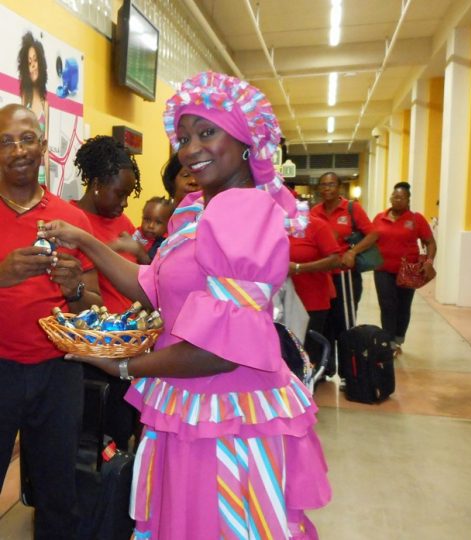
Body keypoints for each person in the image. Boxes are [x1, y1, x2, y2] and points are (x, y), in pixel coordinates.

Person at [43, 71, 331, 540]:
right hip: (191, 403)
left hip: (227, 413)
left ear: (245, 140)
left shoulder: (241, 212)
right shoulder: (199, 208)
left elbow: (222, 351)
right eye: (183, 137)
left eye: (207, 132)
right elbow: (151, 286)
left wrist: (122, 366)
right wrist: (86, 240)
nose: (191, 148)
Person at [0, 104, 101, 540]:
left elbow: (94, 307)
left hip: (59, 372)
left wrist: (74, 288)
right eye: (5, 141)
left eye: (26, 139)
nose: (18, 150)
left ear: (42, 146)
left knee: (59, 494)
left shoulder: (72, 220)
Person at [71, 135, 144, 450]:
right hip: (95, 353)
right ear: (97, 184)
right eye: (120, 194)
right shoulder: (72, 222)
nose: (124, 203)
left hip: (129, 347)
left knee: (124, 436)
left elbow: (141, 276)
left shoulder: (123, 222)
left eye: (128, 195)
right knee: (98, 444)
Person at [311, 171, 378, 380]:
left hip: (344, 276)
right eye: (323, 185)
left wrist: (353, 252)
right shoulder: (314, 211)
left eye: (331, 184)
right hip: (323, 276)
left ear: (339, 187)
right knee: (325, 323)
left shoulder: (351, 208)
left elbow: (373, 233)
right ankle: (325, 368)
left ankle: (349, 374)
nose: (327, 188)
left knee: (345, 324)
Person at [373, 181, 436, 356]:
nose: (397, 200)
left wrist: (429, 262)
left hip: (407, 270)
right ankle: (389, 342)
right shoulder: (379, 218)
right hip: (382, 269)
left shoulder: (416, 219)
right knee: (387, 305)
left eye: (401, 197)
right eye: (394, 196)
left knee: (402, 306)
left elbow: (430, 242)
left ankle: (398, 339)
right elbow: (370, 238)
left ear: (408, 200)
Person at [289, 215, 341, 368]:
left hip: (311, 300)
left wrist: (299, 268)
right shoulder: (270, 224)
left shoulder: (316, 225)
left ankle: (310, 379)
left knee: (308, 353)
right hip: (279, 301)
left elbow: (335, 260)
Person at [18, 31, 49, 188]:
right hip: (25, 172)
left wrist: (48, 188)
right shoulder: (25, 100)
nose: (33, 66)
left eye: (35, 60)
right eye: (29, 62)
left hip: (40, 173)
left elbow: (46, 149)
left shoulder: (45, 104)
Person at [132, 196, 174, 261]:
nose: (151, 226)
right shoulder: (139, 232)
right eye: (147, 219)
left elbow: (148, 261)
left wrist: (137, 249)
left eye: (158, 222)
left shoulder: (163, 243)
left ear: (168, 225)